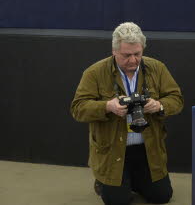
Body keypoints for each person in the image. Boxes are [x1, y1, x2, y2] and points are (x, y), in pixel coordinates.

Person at [71, 22, 183, 205]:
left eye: (137, 54)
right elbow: (78, 108)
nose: (133, 60)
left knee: (161, 196)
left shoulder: (157, 68)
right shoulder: (95, 73)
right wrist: (107, 106)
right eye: (126, 55)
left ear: (142, 49)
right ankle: (103, 181)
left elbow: (177, 99)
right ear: (114, 51)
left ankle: (134, 180)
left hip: (148, 150)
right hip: (113, 150)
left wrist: (159, 105)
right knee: (117, 201)